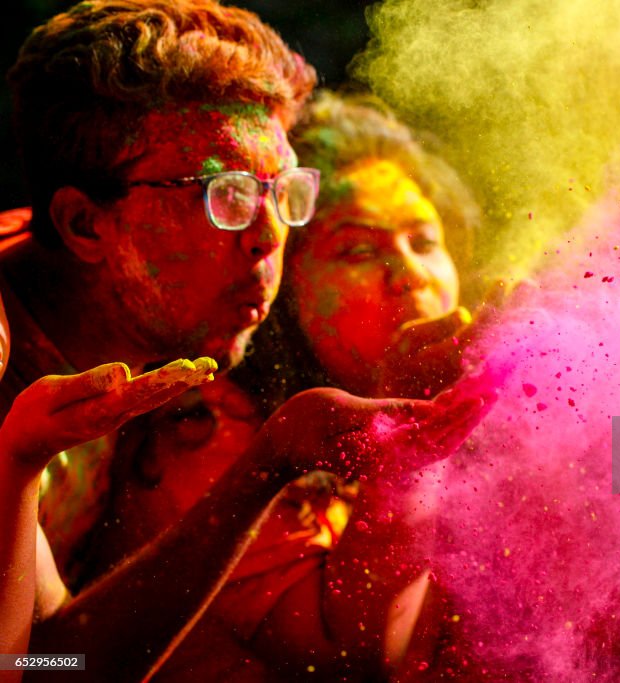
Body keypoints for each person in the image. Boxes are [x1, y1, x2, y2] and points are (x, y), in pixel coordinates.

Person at [1, 4, 491, 681]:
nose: (267, 237)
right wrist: (271, 464)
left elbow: (52, 655)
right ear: (86, 225)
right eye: (224, 193)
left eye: (283, 191)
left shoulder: (144, 341)